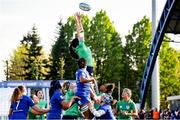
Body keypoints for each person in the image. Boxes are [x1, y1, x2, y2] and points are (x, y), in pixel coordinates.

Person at [69, 12, 94, 76]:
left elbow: (81, 31)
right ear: (78, 42)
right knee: (88, 84)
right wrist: (77, 21)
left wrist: (79, 21)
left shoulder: (80, 47)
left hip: (89, 67)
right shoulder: (81, 45)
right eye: (79, 38)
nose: (80, 37)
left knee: (89, 84)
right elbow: (80, 31)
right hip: (87, 67)